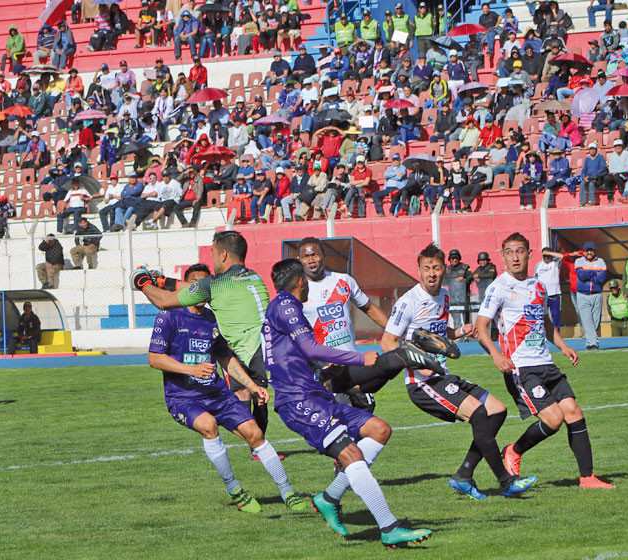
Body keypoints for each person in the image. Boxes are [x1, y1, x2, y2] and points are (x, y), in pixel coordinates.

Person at [263, 258, 433, 546]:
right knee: (352, 455)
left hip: (315, 394)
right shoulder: (286, 305)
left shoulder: (282, 308)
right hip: (298, 401)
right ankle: (389, 528)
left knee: (379, 429)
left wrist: (326, 371)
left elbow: (302, 354)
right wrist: (358, 358)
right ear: (301, 282)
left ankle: (328, 498)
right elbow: (309, 347)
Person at [148, 264, 310, 514]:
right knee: (208, 426)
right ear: (188, 287)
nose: (201, 292)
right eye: (196, 286)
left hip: (216, 394)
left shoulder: (211, 318)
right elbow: (154, 358)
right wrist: (191, 370)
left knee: (255, 434)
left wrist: (253, 386)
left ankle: (288, 491)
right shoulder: (169, 316)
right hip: (183, 398)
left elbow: (225, 357)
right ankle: (235, 489)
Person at [382, 243, 537, 499]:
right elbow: (388, 342)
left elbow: (441, 337)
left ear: (444, 269)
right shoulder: (408, 302)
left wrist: (461, 331)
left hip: (442, 376)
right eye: (426, 268)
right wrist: (417, 361)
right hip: (423, 383)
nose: (432, 273)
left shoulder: (443, 296)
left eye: (436, 268)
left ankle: (464, 475)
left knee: (497, 411)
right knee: (478, 414)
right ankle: (506, 481)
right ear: (419, 270)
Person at [476, 232, 614, 489]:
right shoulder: (499, 287)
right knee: (553, 419)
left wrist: (563, 346)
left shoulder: (538, 285)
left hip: (547, 363)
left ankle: (587, 477)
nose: (515, 257)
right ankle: (513, 451)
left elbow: (546, 323)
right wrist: (496, 355)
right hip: (521, 368)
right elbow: (481, 327)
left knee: (573, 411)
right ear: (503, 256)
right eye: (510, 252)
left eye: (520, 251)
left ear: (529, 254)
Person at [135, 231, 273, 440]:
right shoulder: (252, 276)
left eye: (213, 253)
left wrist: (143, 283)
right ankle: (258, 443)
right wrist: (163, 281)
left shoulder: (214, 285)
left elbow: (164, 301)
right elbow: (196, 288)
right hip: (269, 346)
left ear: (224, 255)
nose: (212, 257)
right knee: (258, 400)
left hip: (247, 351)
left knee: (266, 401)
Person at [297, 237, 389, 410]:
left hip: (354, 363)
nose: (311, 260)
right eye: (306, 256)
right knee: (339, 423)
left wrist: (393, 331)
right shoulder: (298, 289)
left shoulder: (343, 280)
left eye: (315, 254)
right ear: (299, 260)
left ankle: (355, 390)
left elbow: (369, 308)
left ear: (323, 255)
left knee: (366, 412)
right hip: (326, 369)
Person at [574, 242, 607, 350]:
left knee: (595, 321)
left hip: (597, 294)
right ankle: (593, 343)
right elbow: (581, 276)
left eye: (591, 250)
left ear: (594, 251)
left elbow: (601, 278)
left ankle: (590, 342)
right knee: (586, 319)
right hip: (582, 295)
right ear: (584, 251)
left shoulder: (601, 261)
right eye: (587, 250)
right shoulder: (579, 261)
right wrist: (594, 272)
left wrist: (588, 272)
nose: (589, 252)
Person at [535, 248, 564, 328]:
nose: (546, 258)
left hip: (554, 294)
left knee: (556, 316)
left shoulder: (555, 263)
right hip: (542, 295)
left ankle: (557, 335)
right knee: (541, 316)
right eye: (545, 256)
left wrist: (549, 252)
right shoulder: (538, 265)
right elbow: (535, 279)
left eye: (548, 256)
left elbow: (562, 256)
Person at [445, 249, 473, 327]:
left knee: (465, 314)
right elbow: (444, 281)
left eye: (456, 258)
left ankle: (467, 333)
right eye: (452, 258)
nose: (454, 260)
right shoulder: (447, 270)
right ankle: (457, 331)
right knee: (455, 314)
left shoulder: (465, 267)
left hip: (464, 295)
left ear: (459, 258)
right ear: (449, 259)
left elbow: (471, 277)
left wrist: (464, 280)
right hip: (452, 296)